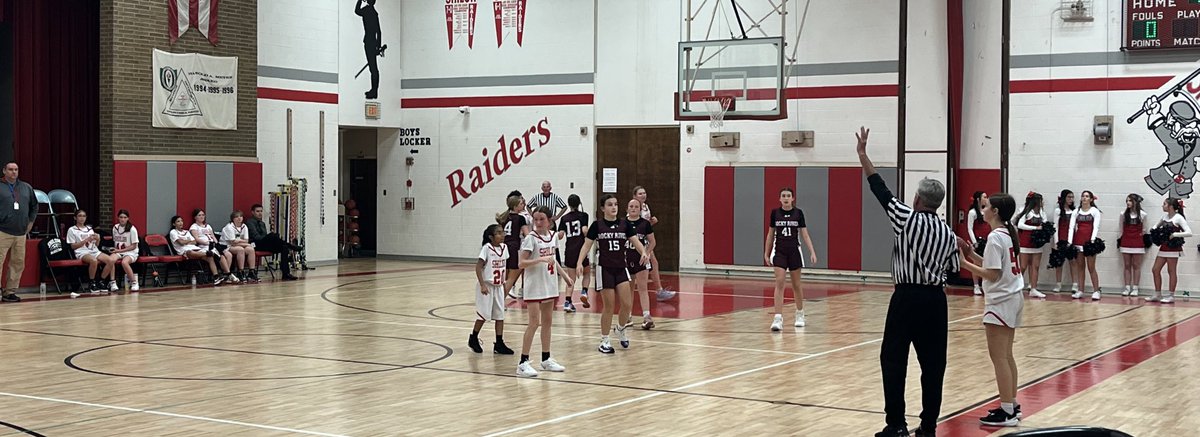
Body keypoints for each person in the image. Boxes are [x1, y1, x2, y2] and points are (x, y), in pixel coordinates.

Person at [858, 127, 959, 437]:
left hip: (905, 298)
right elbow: (954, 271)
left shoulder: (905, 217)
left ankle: (896, 424)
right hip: (935, 301)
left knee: (893, 360)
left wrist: (863, 155)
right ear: (938, 204)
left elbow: (880, 189)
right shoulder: (948, 233)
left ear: (917, 198)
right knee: (933, 367)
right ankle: (928, 427)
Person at [956, 193, 1025, 427]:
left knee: (999, 358)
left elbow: (993, 274)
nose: (982, 210)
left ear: (994, 211)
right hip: (1013, 297)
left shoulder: (996, 237)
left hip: (1001, 300)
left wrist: (964, 264)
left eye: (985, 206)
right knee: (1006, 356)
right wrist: (969, 253)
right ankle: (1011, 405)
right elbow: (993, 265)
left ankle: (1007, 411)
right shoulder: (1007, 232)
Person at [575, 194, 649, 354]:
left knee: (627, 304)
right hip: (605, 268)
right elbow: (586, 246)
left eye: (615, 204)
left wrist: (643, 252)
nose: (613, 207)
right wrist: (579, 262)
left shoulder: (625, 224)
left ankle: (620, 329)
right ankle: (604, 340)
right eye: (609, 205)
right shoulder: (597, 226)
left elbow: (637, 242)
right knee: (609, 306)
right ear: (603, 208)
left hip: (621, 268)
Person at [516, 206, 571, 377]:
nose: (538, 222)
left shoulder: (553, 236)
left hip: (550, 284)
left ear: (549, 221)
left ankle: (546, 359)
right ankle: (523, 362)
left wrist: (566, 277)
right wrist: (539, 259)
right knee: (534, 323)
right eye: (536, 219)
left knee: (547, 322)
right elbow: (521, 263)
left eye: (542, 219)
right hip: (534, 286)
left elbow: (553, 259)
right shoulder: (530, 238)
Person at [763, 187, 818, 331]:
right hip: (780, 251)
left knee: (796, 285)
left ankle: (800, 314)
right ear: (780, 199)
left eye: (788, 195)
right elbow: (770, 235)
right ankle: (777, 318)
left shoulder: (798, 213)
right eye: (783, 196)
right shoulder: (775, 213)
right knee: (780, 281)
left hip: (794, 251)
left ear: (793, 198)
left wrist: (812, 252)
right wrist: (766, 253)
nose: (786, 198)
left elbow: (805, 234)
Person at [469, 224, 515, 355]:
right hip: (487, 286)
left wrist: (504, 283)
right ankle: (473, 337)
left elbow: (504, 267)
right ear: (491, 237)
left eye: (503, 232)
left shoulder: (504, 248)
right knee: (483, 315)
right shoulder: (486, 248)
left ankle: (499, 343)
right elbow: (478, 267)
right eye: (499, 233)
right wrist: (482, 284)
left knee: (500, 315)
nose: (502, 235)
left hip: (499, 286)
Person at [0, 162, 37, 302]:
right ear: (4, 171)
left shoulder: (26, 187)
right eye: (10, 169)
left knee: (18, 262)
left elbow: (34, 206)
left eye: (16, 169)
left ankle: (10, 291)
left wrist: (31, 222)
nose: (13, 172)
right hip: (2, 231)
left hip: (20, 232)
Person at [1146, 198, 1191, 304]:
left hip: (1173, 247)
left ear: (1170, 206)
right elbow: (1155, 226)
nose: (1163, 206)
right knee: (1155, 269)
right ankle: (1157, 294)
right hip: (1164, 246)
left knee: (1171, 271)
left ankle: (1171, 295)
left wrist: (1175, 234)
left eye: (1164, 204)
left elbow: (1189, 232)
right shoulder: (1164, 216)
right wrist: (1154, 230)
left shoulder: (1178, 218)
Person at [634, 186, 676, 300]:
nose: (643, 195)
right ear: (634, 196)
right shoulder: (634, 208)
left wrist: (652, 222)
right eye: (640, 193)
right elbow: (634, 226)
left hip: (646, 239)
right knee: (650, 264)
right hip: (638, 241)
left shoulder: (646, 207)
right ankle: (658, 291)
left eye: (644, 193)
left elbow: (645, 226)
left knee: (653, 263)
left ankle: (659, 290)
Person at [624, 198, 657, 330]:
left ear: (640, 209)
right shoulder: (623, 223)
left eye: (636, 207)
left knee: (643, 288)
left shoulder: (645, 224)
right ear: (627, 209)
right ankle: (628, 316)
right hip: (627, 259)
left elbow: (652, 242)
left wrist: (647, 253)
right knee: (628, 289)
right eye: (631, 206)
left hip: (641, 260)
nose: (633, 208)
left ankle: (647, 316)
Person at [66, 209, 117, 294]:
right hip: (82, 251)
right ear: (75, 218)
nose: (82, 218)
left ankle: (101, 281)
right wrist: (85, 240)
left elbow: (96, 245)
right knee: (93, 260)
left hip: (94, 250)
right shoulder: (72, 230)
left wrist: (98, 239)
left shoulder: (90, 229)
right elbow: (73, 246)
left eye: (84, 216)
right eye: (80, 216)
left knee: (111, 260)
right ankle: (92, 282)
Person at [557, 194, 592, 312]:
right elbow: (584, 230)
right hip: (581, 248)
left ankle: (567, 302)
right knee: (587, 272)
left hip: (569, 249)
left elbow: (560, 236)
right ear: (579, 203)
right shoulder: (583, 215)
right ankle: (584, 291)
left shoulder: (564, 218)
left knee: (570, 278)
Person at [246, 204, 300, 281]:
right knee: (272, 235)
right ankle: (290, 246)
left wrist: (269, 239)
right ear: (252, 212)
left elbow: (265, 236)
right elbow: (256, 237)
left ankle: (286, 273)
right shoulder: (250, 222)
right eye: (257, 211)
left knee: (283, 247)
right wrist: (269, 238)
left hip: (265, 244)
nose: (260, 213)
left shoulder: (262, 223)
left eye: (261, 211)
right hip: (256, 244)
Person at [170, 216, 226, 286]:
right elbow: (181, 243)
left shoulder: (186, 232)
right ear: (174, 224)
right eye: (178, 221)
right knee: (191, 252)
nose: (181, 223)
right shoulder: (173, 232)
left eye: (181, 221)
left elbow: (194, 242)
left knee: (210, 258)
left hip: (196, 249)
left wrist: (187, 241)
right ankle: (212, 253)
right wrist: (188, 241)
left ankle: (216, 277)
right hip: (184, 251)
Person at [1067, 191, 1102, 300]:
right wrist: (1069, 241)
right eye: (1083, 196)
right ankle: (1081, 290)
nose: (1084, 198)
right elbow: (1071, 227)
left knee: (1091, 267)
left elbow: (1096, 227)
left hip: (1089, 243)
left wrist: (1092, 240)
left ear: (1091, 199)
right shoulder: (1076, 211)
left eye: (1087, 196)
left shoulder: (1094, 211)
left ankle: (1096, 290)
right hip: (1078, 241)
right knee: (1080, 267)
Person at [1013, 192, 1048, 298]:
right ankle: (1016, 287)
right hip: (1025, 241)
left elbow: (1045, 224)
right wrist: (1035, 228)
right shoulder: (1026, 212)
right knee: (1023, 266)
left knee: (1035, 266)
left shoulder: (1041, 212)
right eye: (1040, 200)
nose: (1042, 202)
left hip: (1037, 243)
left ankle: (1033, 288)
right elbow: (1019, 224)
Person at [189, 210, 236, 284]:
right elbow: (197, 239)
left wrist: (216, 244)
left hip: (213, 245)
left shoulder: (208, 226)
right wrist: (207, 243)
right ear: (195, 217)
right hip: (204, 246)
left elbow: (213, 236)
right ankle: (228, 274)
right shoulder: (194, 227)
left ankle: (226, 274)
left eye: (203, 215)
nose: (202, 217)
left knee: (227, 255)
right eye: (199, 215)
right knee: (220, 256)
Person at [498, 195, 529, 299]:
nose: (523, 205)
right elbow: (527, 235)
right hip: (514, 248)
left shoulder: (504, 217)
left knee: (504, 277)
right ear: (515, 206)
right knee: (512, 277)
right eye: (521, 204)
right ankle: (501, 301)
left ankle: (499, 300)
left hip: (503, 247)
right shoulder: (520, 218)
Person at [1118, 194, 1149, 297]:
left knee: (1136, 266)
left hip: (1138, 242)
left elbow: (1144, 229)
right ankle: (1127, 287)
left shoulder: (1143, 215)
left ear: (1136, 202)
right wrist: (1120, 240)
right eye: (1127, 201)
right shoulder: (1123, 214)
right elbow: (1120, 229)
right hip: (1126, 241)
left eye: (1130, 201)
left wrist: (1141, 239)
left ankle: (1135, 288)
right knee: (1127, 265)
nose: (1128, 203)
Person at [221, 211, 258, 283]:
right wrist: (245, 243)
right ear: (233, 219)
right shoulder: (229, 227)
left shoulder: (244, 226)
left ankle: (251, 272)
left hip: (239, 244)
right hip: (226, 246)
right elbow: (233, 242)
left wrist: (242, 242)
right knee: (240, 249)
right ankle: (241, 272)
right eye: (237, 217)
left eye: (240, 216)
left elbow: (246, 240)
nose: (239, 218)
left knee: (250, 249)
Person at [1051, 190, 1077, 293]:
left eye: (1072, 197)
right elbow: (1055, 227)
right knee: (1059, 263)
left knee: (1073, 262)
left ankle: (1075, 284)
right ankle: (1058, 284)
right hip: (1061, 239)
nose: (1071, 199)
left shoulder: (1074, 211)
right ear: (1064, 198)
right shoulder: (1058, 211)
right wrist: (1056, 242)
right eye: (1069, 197)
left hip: (1071, 239)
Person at [355, 0, 381, 99]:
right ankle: (374, 90)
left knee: (373, 68)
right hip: (373, 42)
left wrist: (359, 0)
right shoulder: (374, 13)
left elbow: (357, 11)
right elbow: (379, 31)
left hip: (369, 42)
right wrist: (378, 46)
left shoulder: (367, 11)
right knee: (373, 68)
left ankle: (374, 91)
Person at [111, 209, 141, 292]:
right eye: (121, 217)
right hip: (118, 251)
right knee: (110, 260)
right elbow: (116, 241)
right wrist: (115, 250)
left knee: (124, 262)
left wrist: (119, 251)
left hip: (131, 252)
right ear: (118, 218)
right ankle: (113, 282)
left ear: (128, 218)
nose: (122, 219)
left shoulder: (132, 229)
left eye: (125, 217)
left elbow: (134, 246)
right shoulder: (115, 228)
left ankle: (134, 282)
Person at [966, 191, 989, 296]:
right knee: (976, 263)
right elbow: (970, 228)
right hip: (978, 241)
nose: (986, 198)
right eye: (984, 197)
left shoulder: (986, 211)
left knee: (986, 263)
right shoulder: (972, 212)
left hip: (987, 240)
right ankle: (976, 286)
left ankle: (985, 285)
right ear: (978, 199)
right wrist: (975, 242)